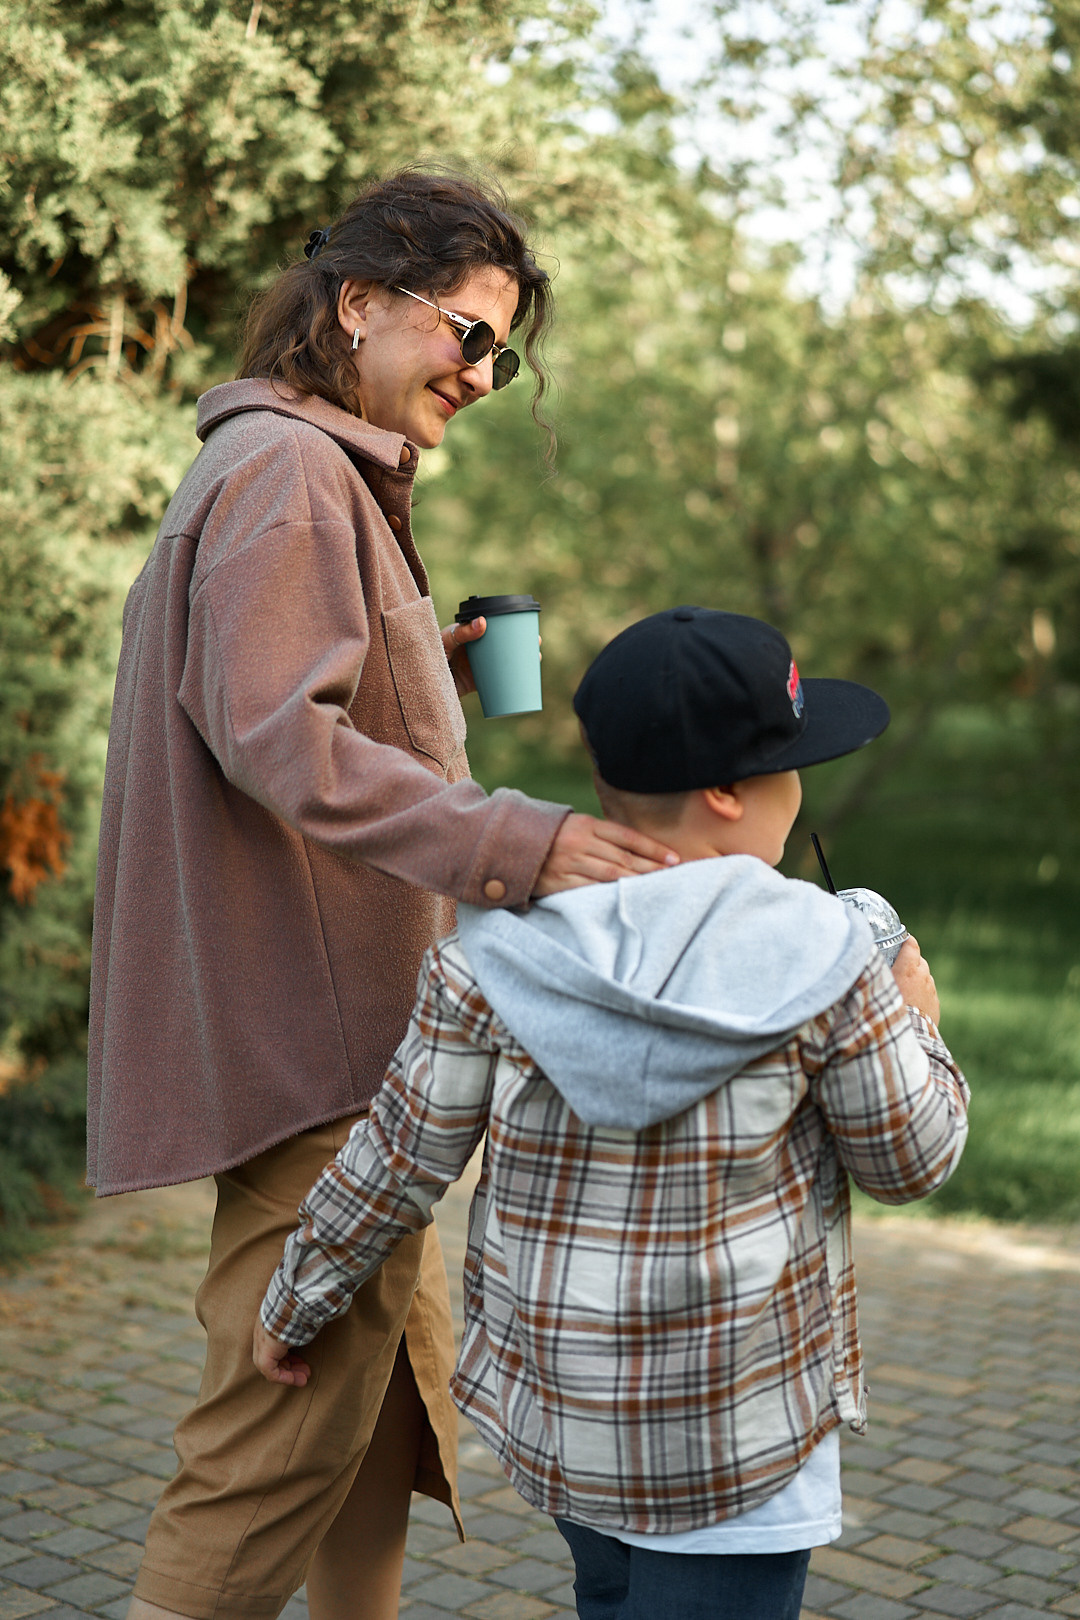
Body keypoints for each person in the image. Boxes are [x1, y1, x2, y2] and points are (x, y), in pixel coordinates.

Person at [87, 169, 678, 1620]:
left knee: (383, 1407)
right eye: (466, 335)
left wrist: (438, 663)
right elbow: (278, 736)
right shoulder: (290, 475)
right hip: (318, 1045)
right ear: (360, 304)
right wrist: (519, 842)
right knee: (271, 1438)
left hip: (354, 1040)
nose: (482, 374)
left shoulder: (298, 469)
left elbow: (297, 697)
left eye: (501, 351)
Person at [253, 605, 970, 1620]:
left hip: (572, 1436)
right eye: (790, 764)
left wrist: (295, 1301)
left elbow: (400, 1157)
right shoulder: (832, 958)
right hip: (740, 1451)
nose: (800, 785)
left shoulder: (493, 954)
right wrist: (921, 1022)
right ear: (728, 792)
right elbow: (912, 1161)